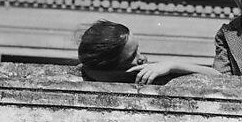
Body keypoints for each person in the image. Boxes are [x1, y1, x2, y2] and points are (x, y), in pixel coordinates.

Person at [78, 20, 220, 85]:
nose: (142, 58)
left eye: (138, 49)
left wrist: (172, 65)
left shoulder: (154, 73)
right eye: (132, 57)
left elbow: (221, 78)